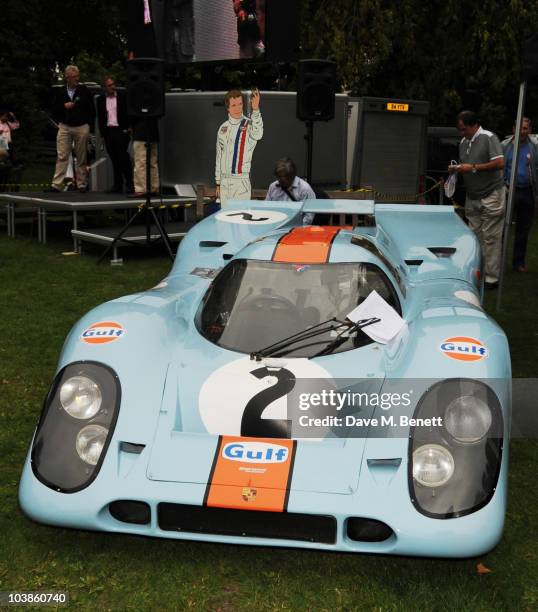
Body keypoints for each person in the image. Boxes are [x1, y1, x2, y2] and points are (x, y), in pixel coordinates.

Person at [448, 110, 505, 290]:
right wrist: (456, 170)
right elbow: (466, 166)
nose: (461, 132)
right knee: (474, 236)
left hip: (491, 194)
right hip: (472, 196)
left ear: (474, 125)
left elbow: (500, 163)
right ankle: (478, 271)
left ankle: (491, 278)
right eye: (460, 129)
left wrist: (472, 168)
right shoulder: (464, 142)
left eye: (464, 129)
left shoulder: (489, 137)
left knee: (491, 237)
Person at [49, 65, 95, 193]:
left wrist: (88, 125)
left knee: (81, 156)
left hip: (81, 126)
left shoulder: (84, 90)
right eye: (74, 77)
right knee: (62, 155)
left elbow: (91, 109)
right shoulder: (61, 92)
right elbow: (54, 110)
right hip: (65, 126)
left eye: (77, 76)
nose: (76, 79)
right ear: (67, 78)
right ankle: (56, 185)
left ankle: (81, 184)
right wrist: (64, 106)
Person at [215, 88, 263, 208]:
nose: (237, 108)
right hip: (224, 182)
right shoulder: (222, 128)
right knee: (225, 221)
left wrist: (255, 109)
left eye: (240, 104)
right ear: (228, 108)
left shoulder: (249, 124)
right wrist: (218, 183)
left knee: (240, 220)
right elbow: (219, 156)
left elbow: (258, 134)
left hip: (241, 181)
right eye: (234, 105)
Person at [502, 117, 537, 272]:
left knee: (523, 229)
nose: (522, 131)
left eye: (525, 128)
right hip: (509, 191)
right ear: (513, 129)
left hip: (528, 191)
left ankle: (518, 263)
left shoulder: (534, 146)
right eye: (519, 128)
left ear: (529, 130)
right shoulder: (505, 146)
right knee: (503, 229)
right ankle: (498, 263)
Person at [96, 76, 134, 194]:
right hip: (108, 132)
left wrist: (129, 128)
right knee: (114, 159)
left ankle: (130, 184)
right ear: (104, 88)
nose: (113, 86)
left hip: (121, 130)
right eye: (109, 85)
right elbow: (101, 118)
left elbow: (129, 111)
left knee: (123, 157)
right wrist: (102, 135)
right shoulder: (100, 100)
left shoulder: (122, 97)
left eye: (113, 84)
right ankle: (118, 185)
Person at [265, 157, 316, 224]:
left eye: (283, 180)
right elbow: (266, 209)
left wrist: (295, 230)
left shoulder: (304, 189)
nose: (279, 181)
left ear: (292, 176)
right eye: (278, 177)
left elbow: (308, 217)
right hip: (275, 225)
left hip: (296, 228)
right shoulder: (273, 186)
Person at [130, 117, 160, 197]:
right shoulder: (154, 104)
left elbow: (131, 115)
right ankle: (154, 188)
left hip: (140, 133)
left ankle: (141, 189)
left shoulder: (136, 105)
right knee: (152, 162)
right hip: (153, 133)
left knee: (140, 162)